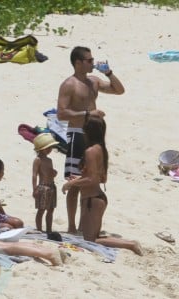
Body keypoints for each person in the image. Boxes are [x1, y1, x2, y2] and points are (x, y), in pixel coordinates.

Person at [57, 46, 125, 233]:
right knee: (75, 180)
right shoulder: (69, 84)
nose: (92, 63)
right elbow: (61, 113)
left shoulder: (94, 81)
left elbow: (119, 90)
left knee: (92, 178)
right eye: (89, 60)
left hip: (94, 136)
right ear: (78, 63)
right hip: (77, 133)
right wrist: (88, 113)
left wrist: (109, 73)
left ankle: (84, 223)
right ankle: (71, 225)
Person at [62, 115, 143, 256]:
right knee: (92, 236)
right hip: (97, 198)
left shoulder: (90, 151)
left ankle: (130, 244)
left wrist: (72, 183)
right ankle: (129, 244)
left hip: (92, 200)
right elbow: (101, 178)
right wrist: (81, 178)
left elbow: (92, 179)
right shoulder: (101, 149)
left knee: (91, 240)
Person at [32, 133, 59, 233]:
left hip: (51, 186)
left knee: (51, 209)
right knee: (41, 210)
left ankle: (48, 230)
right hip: (43, 187)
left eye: (51, 147)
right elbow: (34, 175)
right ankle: (39, 229)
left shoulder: (49, 160)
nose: (50, 149)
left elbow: (50, 173)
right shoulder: (37, 160)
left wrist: (54, 173)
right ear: (41, 148)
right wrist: (34, 189)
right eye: (48, 147)